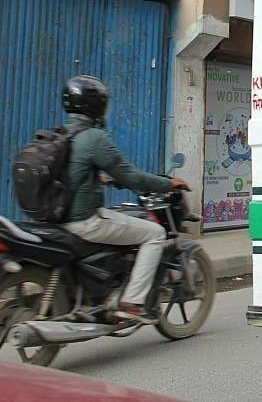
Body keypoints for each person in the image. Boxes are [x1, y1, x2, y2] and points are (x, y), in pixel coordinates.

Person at [59, 75, 189, 324]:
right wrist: (168, 183)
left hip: (56, 218)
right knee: (154, 234)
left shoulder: (61, 134)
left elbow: (73, 172)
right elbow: (132, 177)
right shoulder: (94, 138)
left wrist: (102, 179)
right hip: (84, 221)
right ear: (97, 106)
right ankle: (132, 303)